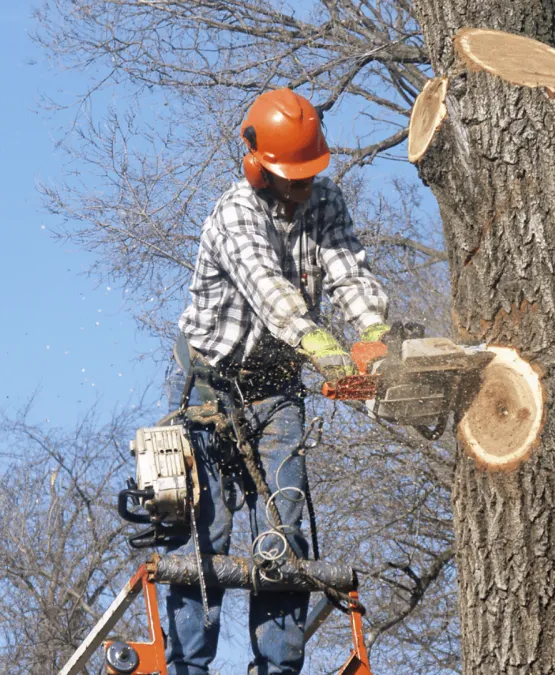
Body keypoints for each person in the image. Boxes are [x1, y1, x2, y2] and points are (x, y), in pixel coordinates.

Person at [165, 88, 390, 675]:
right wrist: (325, 350)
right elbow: (273, 294)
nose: (306, 188)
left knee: (284, 531)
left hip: (277, 392)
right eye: (296, 178)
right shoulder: (234, 215)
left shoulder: (325, 201)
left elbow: (348, 268)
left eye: (311, 175)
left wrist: (374, 334)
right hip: (209, 393)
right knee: (202, 537)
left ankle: (279, 668)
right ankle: (187, 667)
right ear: (257, 167)